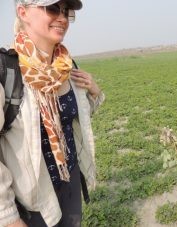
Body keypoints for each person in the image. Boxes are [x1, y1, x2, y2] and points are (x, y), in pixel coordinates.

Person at [0, 0, 104, 226]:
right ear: (23, 12)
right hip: (31, 202)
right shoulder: (6, 71)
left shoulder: (66, 67)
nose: (63, 17)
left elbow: (73, 118)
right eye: (53, 8)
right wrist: (7, 215)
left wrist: (95, 94)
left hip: (70, 183)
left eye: (66, 11)